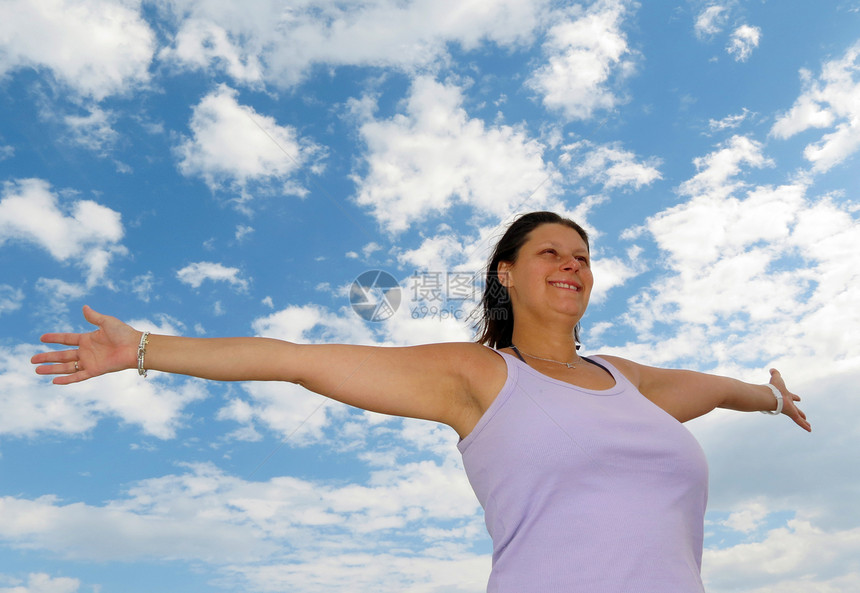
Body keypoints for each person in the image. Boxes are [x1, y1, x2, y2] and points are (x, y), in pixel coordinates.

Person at [32, 211, 810, 592]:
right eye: (551, 253)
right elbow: (298, 362)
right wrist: (142, 350)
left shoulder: (629, 380)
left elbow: (716, 390)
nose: (572, 265)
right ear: (507, 272)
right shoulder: (478, 377)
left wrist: (770, 399)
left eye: (583, 257)